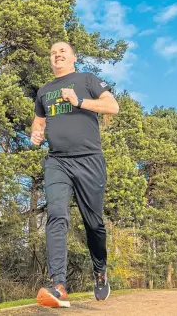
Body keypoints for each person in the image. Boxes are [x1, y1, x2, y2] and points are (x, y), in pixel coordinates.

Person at [30, 41, 119, 308]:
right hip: (58, 162)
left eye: (62, 52)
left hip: (89, 160)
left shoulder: (86, 79)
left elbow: (112, 107)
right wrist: (35, 132)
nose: (57, 55)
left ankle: (100, 271)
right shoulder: (44, 91)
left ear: (73, 57)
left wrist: (79, 101)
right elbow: (39, 122)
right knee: (57, 215)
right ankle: (59, 285)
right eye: (53, 53)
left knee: (94, 224)